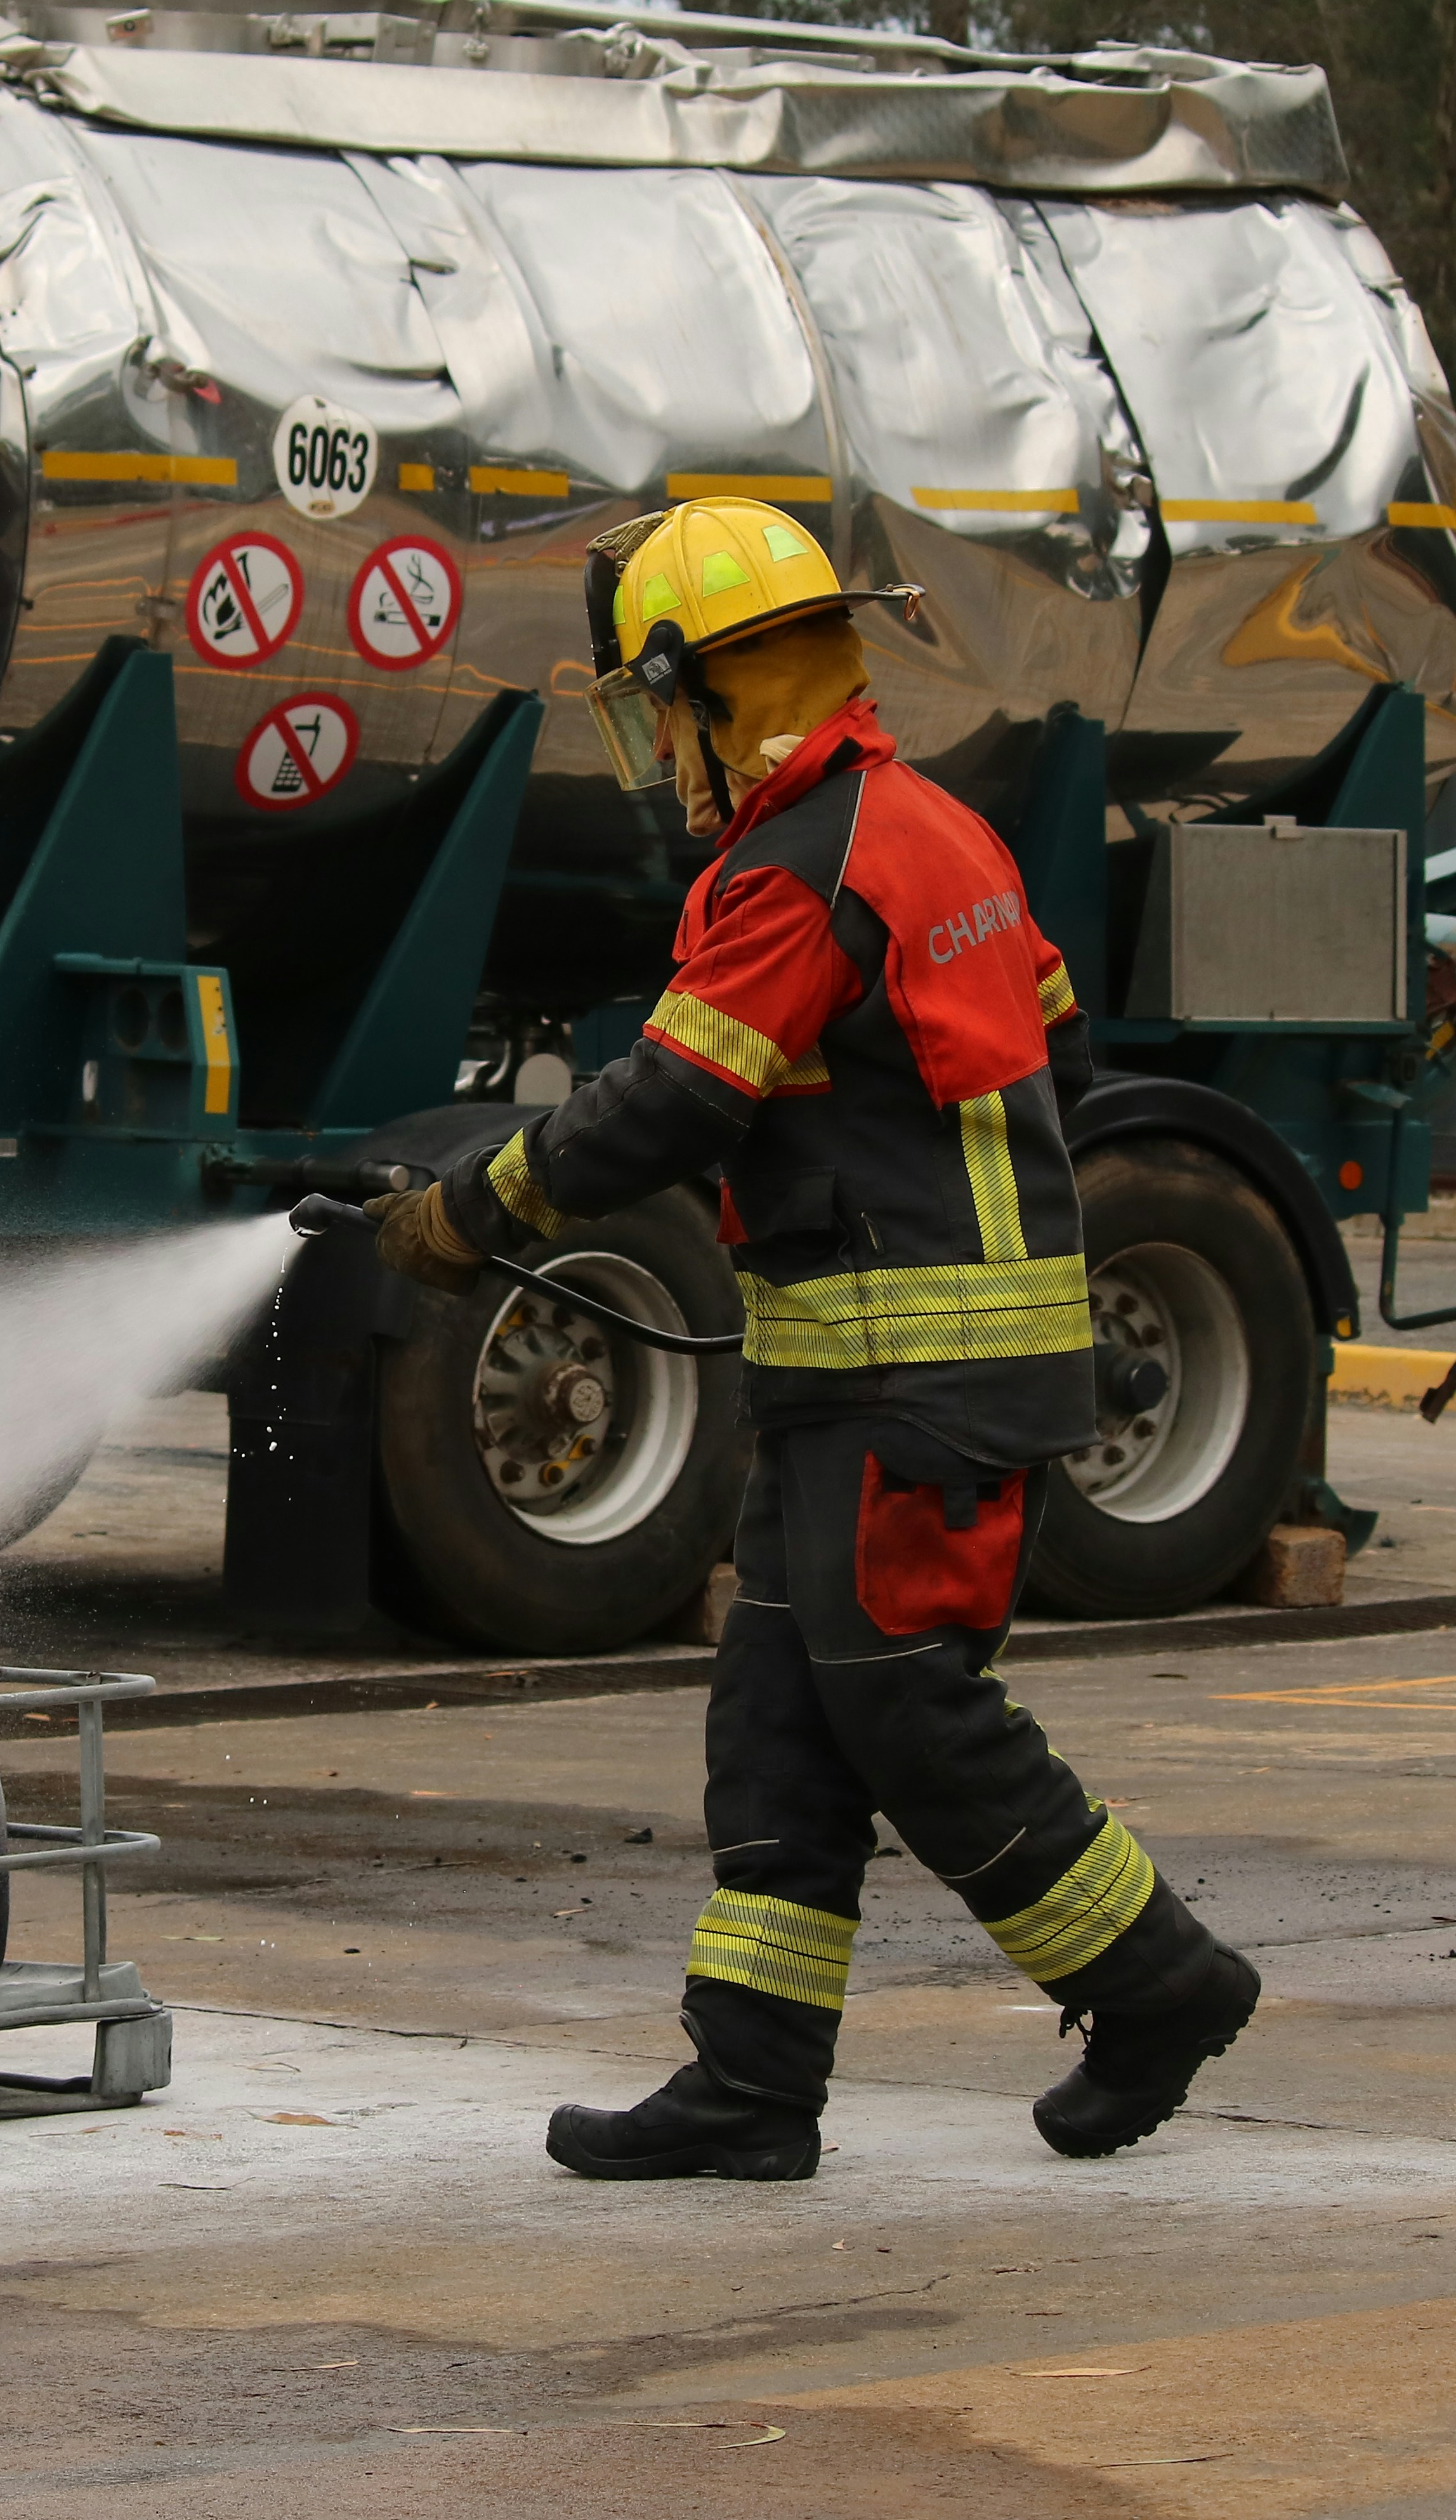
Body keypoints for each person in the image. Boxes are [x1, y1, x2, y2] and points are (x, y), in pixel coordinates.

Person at [367, 497, 1258, 2179]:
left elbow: (676, 1099)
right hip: (879, 1377)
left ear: (724, 691)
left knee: (909, 1709)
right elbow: (1054, 1062)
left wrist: (471, 1213)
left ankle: (1160, 1984)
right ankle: (754, 2088)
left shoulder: (794, 869)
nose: (662, 754)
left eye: (665, 708)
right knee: (782, 1720)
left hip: (906, 1387)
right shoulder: (936, 832)